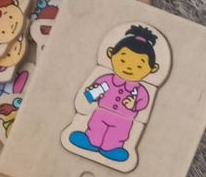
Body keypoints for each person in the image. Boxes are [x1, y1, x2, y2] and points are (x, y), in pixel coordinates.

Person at [68, 25, 159, 162]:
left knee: (118, 135)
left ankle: (111, 149)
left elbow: (143, 102)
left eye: (139, 66)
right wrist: (91, 93)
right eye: (123, 60)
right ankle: (91, 142)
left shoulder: (139, 90)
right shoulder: (106, 81)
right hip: (101, 113)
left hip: (124, 120)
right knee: (96, 127)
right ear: (111, 53)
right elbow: (93, 94)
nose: (129, 67)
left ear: (153, 69)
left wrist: (133, 105)